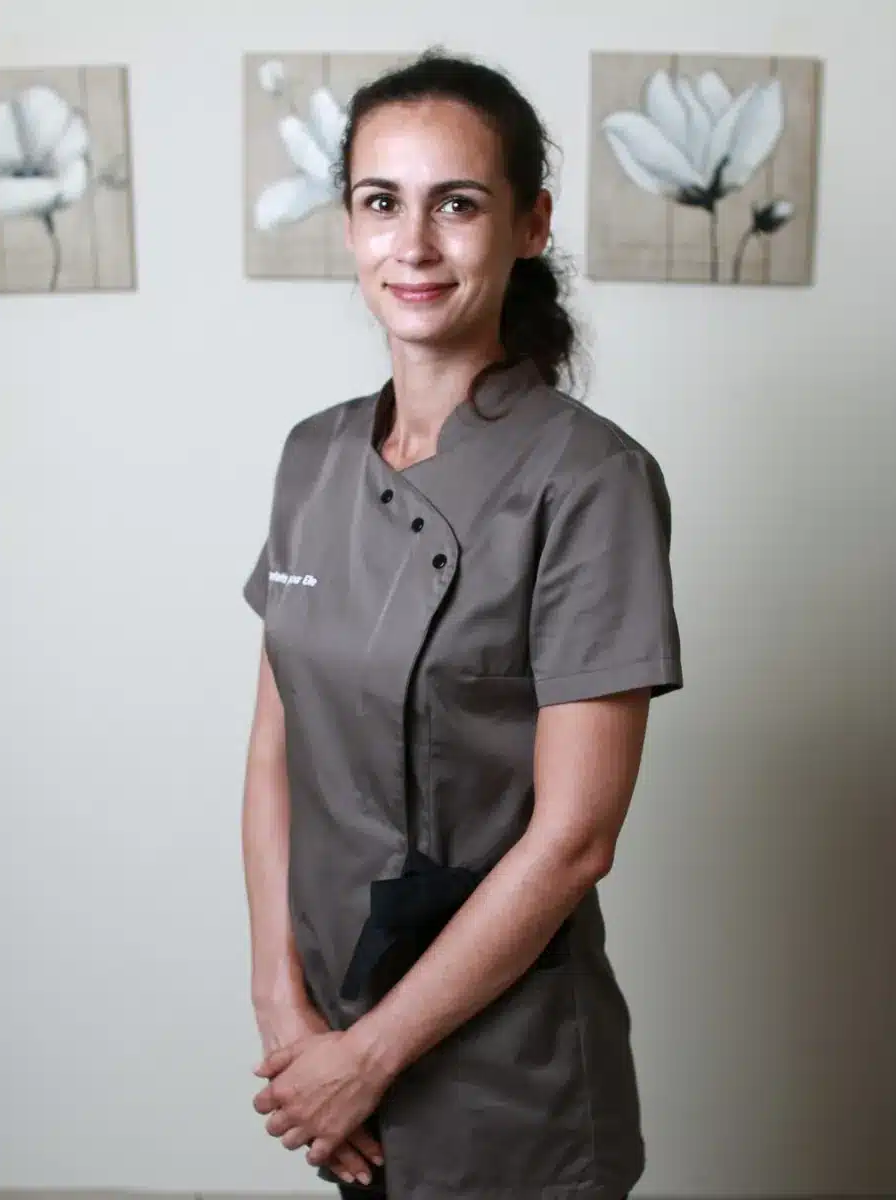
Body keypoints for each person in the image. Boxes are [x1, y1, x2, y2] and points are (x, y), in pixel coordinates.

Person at [241, 48, 682, 1200]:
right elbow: (275, 749)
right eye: (381, 201)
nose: (415, 244)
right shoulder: (310, 458)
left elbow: (576, 837)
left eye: (458, 204)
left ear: (531, 224)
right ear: (350, 226)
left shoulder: (590, 480)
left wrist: (368, 1059)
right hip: (332, 1032)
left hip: (507, 1073)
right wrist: (285, 1010)